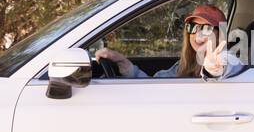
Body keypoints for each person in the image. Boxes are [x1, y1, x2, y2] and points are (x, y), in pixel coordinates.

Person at [96, 4, 245, 80]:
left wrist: (213, 69)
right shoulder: (184, 65)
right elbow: (155, 87)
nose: (197, 34)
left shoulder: (228, 59)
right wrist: (124, 64)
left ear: (220, 34)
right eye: (192, 27)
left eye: (206, 28)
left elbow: (225, 68)